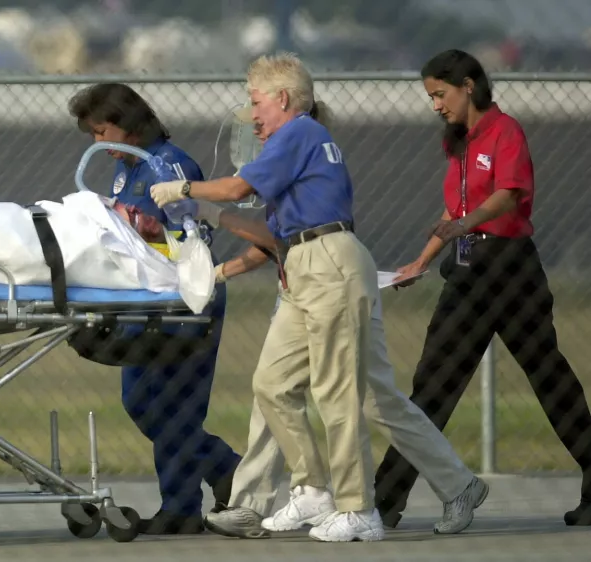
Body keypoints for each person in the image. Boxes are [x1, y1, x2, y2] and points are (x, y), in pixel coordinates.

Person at [150, 52, 385, 542]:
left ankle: (359, 508)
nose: (252, 115)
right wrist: (215, 244)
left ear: (282, 98)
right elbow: (272, 236)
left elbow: (238, 188)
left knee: (336, 390)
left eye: (256, 102)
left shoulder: (299, 131)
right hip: (301, 264)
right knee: (272, 385)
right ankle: (312, 488)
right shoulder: (296, 141)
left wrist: (183, 188)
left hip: (328, 261)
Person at [372, 48, 591, 528]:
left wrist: (465, 224)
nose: (436, 106)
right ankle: (384, 500)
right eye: (430, 98)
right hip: (469, 270)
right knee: (433, 383)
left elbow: (508, 195)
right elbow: (455, 210)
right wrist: (421, 261)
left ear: (468, 85)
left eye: (440, 94)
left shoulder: (505, 131)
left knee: (549, 377)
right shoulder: (458, 142)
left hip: (511, 270)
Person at [193, 238, 487, 538]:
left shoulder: (300, 210)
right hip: (299, 291)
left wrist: (217, 261)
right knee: (273, 391)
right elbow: (272, 240)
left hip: (339, 288)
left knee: (377, 403)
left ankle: (459, 484)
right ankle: (249, 507)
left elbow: (270, 238)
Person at [67, 82, 242, 535]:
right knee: (141, 402)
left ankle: (182, 507)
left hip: (183, 300)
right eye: (92, 133)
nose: (97, 141)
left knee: (175, 405)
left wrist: (150, 231)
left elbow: (194, 236)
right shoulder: (126, 168)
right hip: (144, 301)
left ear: (127, 123)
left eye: (102, 130)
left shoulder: (170, 164)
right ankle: (226, 469)